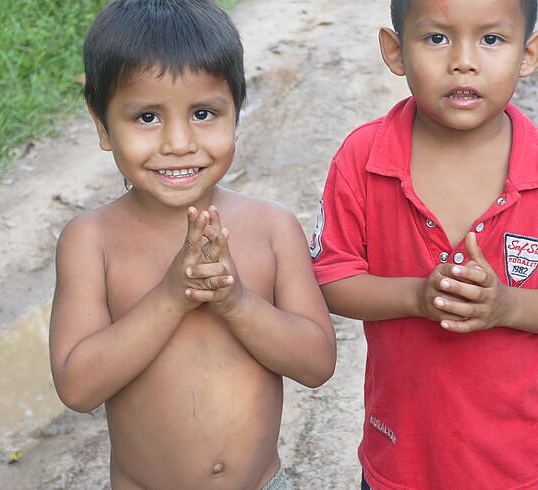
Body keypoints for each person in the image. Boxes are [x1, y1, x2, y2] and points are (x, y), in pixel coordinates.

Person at [310, 0, 538, 487]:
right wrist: (416, 297)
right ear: (395, 50)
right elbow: (334, 277)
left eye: (491, 39)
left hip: (522, 465)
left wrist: (505, 306)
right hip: (402, 462)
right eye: (437, 38)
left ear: (529, 54)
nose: (463, 61)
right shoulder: (363, 158)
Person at [48, 1, 336, 488]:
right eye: (146, 117)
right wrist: (169, 298)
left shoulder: (271, 228)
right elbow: (77, 387)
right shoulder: (91, 241)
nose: (179, 142)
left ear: (236, 116)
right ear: (101, 125)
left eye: (203, 113)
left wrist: (236, 302)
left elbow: (317, 364)